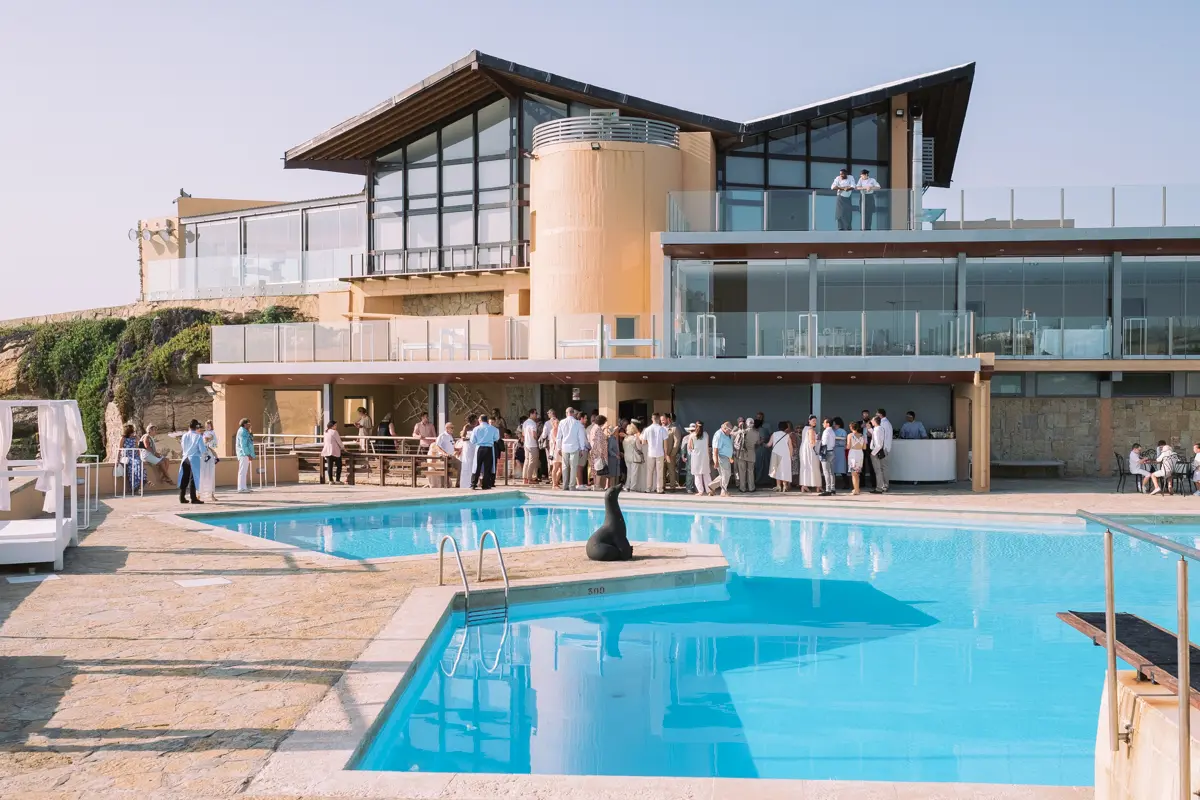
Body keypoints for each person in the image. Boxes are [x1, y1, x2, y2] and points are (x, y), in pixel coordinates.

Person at [556, 407, 586, 491]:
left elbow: (559, 436)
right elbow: (581, 437)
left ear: (566, 413)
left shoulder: (562, 422)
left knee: (565, 466)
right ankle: (572, 486)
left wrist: (558, 447)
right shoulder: (577, 423)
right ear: (573, 413)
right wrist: (582, 448)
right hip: (574, 447)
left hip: (564, 447)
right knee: (573, 467)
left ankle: (565, 485)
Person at [469, 414, 500, 490]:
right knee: (487, 467)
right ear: (487, 420)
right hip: (489, 448)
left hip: (479, 448)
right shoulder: (493, 429)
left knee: (477, 466)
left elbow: (472, 440)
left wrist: (479, 441)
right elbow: (496, 438)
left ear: (480, 420)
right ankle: (485, 484)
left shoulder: (476, 429)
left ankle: (473, 484)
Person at [177, 419, 205, 504]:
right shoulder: (198, 436)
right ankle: (193, 498)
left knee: (184, 477)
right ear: (197, 427)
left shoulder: (184, 436)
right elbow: (202, 449)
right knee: (193, 478)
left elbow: (183, 446)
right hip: (194, 458)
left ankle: (182, 497)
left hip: (185, 458)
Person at [641, 413, 668, 494]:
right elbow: (665, 443)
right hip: (660, 452)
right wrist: (666, 454)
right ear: (659, 419)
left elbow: (643, 442)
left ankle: (648, 488)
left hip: (650, 452)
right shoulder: (663, 429)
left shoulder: (647, 429)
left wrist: (649, 443)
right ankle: (659, 489)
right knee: (659, 472)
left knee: (650, 471)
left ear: (652, 419)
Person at [683, 422, 711, 496]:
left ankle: (700, 491)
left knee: (697, 475)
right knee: (706, 474)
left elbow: (690, 446)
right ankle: (709, 490)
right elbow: (707, 445)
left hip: (696, 457)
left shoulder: (692, 435)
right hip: (705, 456)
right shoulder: (706, 434)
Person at [734, 414, 759, 494]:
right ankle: (751, 488)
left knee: (742, 471)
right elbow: (757, 443)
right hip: (751, 454)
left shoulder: (742, 432)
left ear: (746, 424)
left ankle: (742, 488)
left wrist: (739, 427)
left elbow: (733, 436)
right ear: (753, 424)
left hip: (742, 454)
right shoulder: (757, 433)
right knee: (750, 471)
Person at [428, 422, 456, 488]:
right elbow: (437, 446)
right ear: (447, 428)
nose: (453, 429)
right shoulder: (442, 436)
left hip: (451, 457)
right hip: (443, 458)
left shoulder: (450, 436)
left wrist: (458, 449)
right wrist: (444, 453)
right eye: (452, 428)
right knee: (441, 469)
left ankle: (456, 484)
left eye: (453, 428)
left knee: (460, 465)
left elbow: (451, 446)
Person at [711, 421, 735, 497]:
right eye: (729, 430)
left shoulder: (725, 434)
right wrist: (716, 461)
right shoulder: (719, 435)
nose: (730, 431)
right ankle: (723, 491)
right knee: (726, 474)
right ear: (725, 428)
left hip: (726, 457)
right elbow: (715, 450)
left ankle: (712, 486)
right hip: (721, 456)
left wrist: (730, 457)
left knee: (724, 475)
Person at [798, 415, 821, 493]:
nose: (815, 422)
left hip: (803, 449)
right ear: (809, 421)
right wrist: (818, 441)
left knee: (805, 467)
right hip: (809, 450)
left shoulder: (805, 429)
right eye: (813, 421)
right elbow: (812, 442)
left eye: (815, 421)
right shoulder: (811, 429)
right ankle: (817, 485)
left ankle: (804, 485)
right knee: (813, 466)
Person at [198, 420, 219, 502]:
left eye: (209, 425)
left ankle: (211, 494)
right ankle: (200, 493)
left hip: (209, 455)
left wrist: (208, 441)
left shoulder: (212, 433)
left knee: (210, 474)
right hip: (203, 455)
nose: (208, 427)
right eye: (207, 425)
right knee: (202, 473)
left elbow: (213, 444)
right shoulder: (204, 434)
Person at [119, 424, 145, 492]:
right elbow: (119, 449)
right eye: (133, 430)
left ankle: (139, 485)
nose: (134, 432)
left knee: (139, 464)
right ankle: (135, 486)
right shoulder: (123, 438)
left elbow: (139, 447)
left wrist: (138, 439)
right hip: (127, 456)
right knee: (136, 464)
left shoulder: (134, 438)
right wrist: (117, 459)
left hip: (135, 456)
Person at [588, 415, 611, 491]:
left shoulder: (594, 428)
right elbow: (598, 442)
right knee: (599, 469)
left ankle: (596, 485)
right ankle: (597, 485)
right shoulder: (598, 429)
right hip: (598, 453)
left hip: (594, 452)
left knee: (595, 469)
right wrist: (601, 453)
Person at [870, 415, 892, 494]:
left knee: (878, 470)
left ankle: (879, 487)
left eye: (872, 420)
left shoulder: (877, 429)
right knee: (883, 468)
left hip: (877, 451)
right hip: (882, 451)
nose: (871, 422)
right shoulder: (881, 428)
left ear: (875, 421)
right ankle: (884, 485)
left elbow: (878, 444)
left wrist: (873, 453)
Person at [768, 421, 792, 492]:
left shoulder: (774, 434)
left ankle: (778, 486)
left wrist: (763, 444)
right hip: (785, 454)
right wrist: (790, 456)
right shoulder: (787, 436)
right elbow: (791, 447)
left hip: (776, 453)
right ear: (786, 428)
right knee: (784, 469)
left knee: (777, 469)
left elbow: (769, 444)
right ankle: (785, 486)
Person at [623, 421, 645, 492]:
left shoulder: (625, 438)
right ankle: (633, 487)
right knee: (634, 473)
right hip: (634, 458)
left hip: (627, 457)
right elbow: (639, 448)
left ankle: (627, 486)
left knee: (629, 472)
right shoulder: (635, 439)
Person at [847, 421, 867, 495]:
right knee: (857, 473)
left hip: (853, 453)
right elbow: (864, 447)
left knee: (853, 473)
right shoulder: (862, 436)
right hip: (860, 453)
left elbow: (848, 446)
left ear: (851, 428)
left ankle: (856, 490)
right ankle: (857, 488)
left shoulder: (850, 435)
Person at [321, 419, 344, 484]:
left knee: (329, 466)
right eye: (335, 425)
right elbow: (339, 441)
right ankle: (337, 480)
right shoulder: (335, 432)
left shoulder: (325, 432)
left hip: (327, 450)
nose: (336, 426)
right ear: (332, 426)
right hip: (335, 450)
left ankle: (330, 480)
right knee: (339, 465)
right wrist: (343, 447)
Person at [521, 409, 540, 485]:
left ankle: (525, 478)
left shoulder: (525, 422)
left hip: (526, 444)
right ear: (531, 414)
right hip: (532, 444)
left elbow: (523, 434)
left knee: (527, 461)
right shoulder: (533, 423)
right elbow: (534, 434)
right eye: (535, 413)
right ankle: (529, 478)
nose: (536, 415)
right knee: (532, 461)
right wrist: (537, 440)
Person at [235, 417, 254, 493]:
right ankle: (241, 488)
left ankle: (244, 487)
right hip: (243, 454)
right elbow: (243, 445)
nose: (250, 425)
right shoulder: (242, 432)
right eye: (249, 423)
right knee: (242, 471)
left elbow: (250, 439)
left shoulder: (245, 431)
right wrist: (248, 454)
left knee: (244, 471)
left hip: (244, 454)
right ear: (245, 424)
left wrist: (250, 432)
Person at [665, 413, 683, 491]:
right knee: (662, 471)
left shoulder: (674, 428)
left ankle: (672, 487)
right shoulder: (661, 428)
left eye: (664, 419)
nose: (662, 421)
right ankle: (662, 486)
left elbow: (677, 441)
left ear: (668, 419)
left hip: (670, 454)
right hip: (661, 454)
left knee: (671, 471)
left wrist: (672, 453)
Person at [538, 409, 557, 481]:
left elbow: (544, 435)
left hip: (550, 442)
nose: (548, 414)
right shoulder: (559, 422)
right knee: (557, 460)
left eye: (548, 413)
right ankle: (558, 477)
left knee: (550, 459)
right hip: (558, 443)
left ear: (551, 414)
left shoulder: (547, 423)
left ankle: (551, 476)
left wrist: (541, 439)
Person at [546, 415, 562, 489]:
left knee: (561, 469)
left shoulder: (559, 431)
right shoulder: (553, 431)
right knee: (555, 468)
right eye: (557, 423)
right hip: (555, 451)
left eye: (558, 422)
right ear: (553, 424)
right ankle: (554, 484)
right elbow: (556, 440)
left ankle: (556, 482)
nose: (558, 424)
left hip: (559, 451)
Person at [832, 417, 848, 489]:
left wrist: (836, 442)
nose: (833, 425)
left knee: (842, 468)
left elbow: (843, 442)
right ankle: (833, 484)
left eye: (834, 423)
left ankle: (847, 484)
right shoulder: (832, 430)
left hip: (840, 451)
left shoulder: (842, 431)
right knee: (833, 468)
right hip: (834, 451)